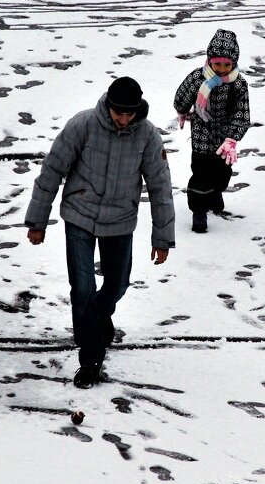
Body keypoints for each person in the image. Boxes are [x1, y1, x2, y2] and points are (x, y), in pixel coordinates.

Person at [25, 76, 175, 389]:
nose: (123, 119)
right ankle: (90, 360)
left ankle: (96, 317)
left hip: (120, 221)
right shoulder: (82, 126)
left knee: (117, 285)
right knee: (82, 288)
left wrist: (162, 238)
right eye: (118, 112)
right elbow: (52, 171)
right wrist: (37, 221)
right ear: (108, 105)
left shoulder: (147, 136)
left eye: (129, 113)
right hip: (79, 215)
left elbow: (160, 186)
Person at [173, 28, 252, 233]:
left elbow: (241, 113)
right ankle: (199, 211)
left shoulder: (238, 84)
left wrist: (232, 138)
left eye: (227, 65)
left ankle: (216, 191)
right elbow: (182, 97)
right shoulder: (198, 79)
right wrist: (182, 110)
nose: (222, 69)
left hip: (224, 138)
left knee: (222, 173)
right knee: (200, 172)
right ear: (209, 61)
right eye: (218, 64)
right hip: (202, 134)